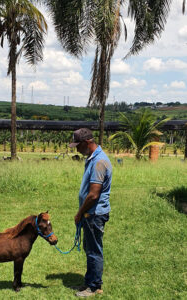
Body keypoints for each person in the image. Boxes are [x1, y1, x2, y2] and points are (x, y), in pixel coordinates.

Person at [69, 128, 112, 298]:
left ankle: (93, 287)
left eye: (77, 146)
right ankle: (91, 282)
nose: (76, 150)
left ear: (87, 143)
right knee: (90, 248)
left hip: (93, 214)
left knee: (94, 250)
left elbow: (93, 194)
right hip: (90, 213)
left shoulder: (99, 162)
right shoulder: (93, 158)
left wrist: (80, 213)